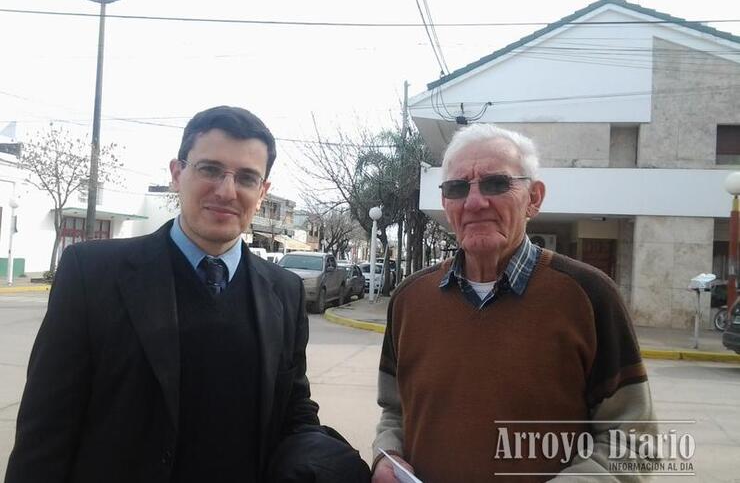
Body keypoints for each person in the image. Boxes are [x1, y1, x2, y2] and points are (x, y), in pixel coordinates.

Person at [6, 106, 369, 483]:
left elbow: (293, 407)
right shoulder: (92, 274)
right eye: (210, 169)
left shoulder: (283, 290)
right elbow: (46, 427)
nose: (226, 191)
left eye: (246, 178)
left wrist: (337, 462)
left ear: (262, 192)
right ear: (177, 174)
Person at [372, 124, 656, 482]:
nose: (474, 202)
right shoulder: (409, 299)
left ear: (534, 198)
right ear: (446, 204)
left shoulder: (589, 296)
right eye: (457, 188)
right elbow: (395, 412)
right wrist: (387, 456)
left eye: (496, 183)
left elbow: (632, 443)